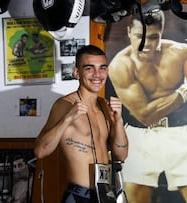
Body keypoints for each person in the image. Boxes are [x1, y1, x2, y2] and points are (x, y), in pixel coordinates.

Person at [108, 9, 187, 203]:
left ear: (162, 32)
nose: (146, 44)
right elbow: (146, 115)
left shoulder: (181, 53)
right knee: (134, 200)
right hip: (140, 135)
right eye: (140, 36)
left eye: (153, 37)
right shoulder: (120, 66)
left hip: (181, 132)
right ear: (128, 33)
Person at [34, 45, 128, 203]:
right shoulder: (64, 105)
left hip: (106, 194)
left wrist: (118, 121)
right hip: (80, 195)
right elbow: (40, 151)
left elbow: (121, 155)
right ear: (77, 73)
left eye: (102, 68)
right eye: (89, 68)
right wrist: (67, 119)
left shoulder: (105, 106)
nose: (97, 74)